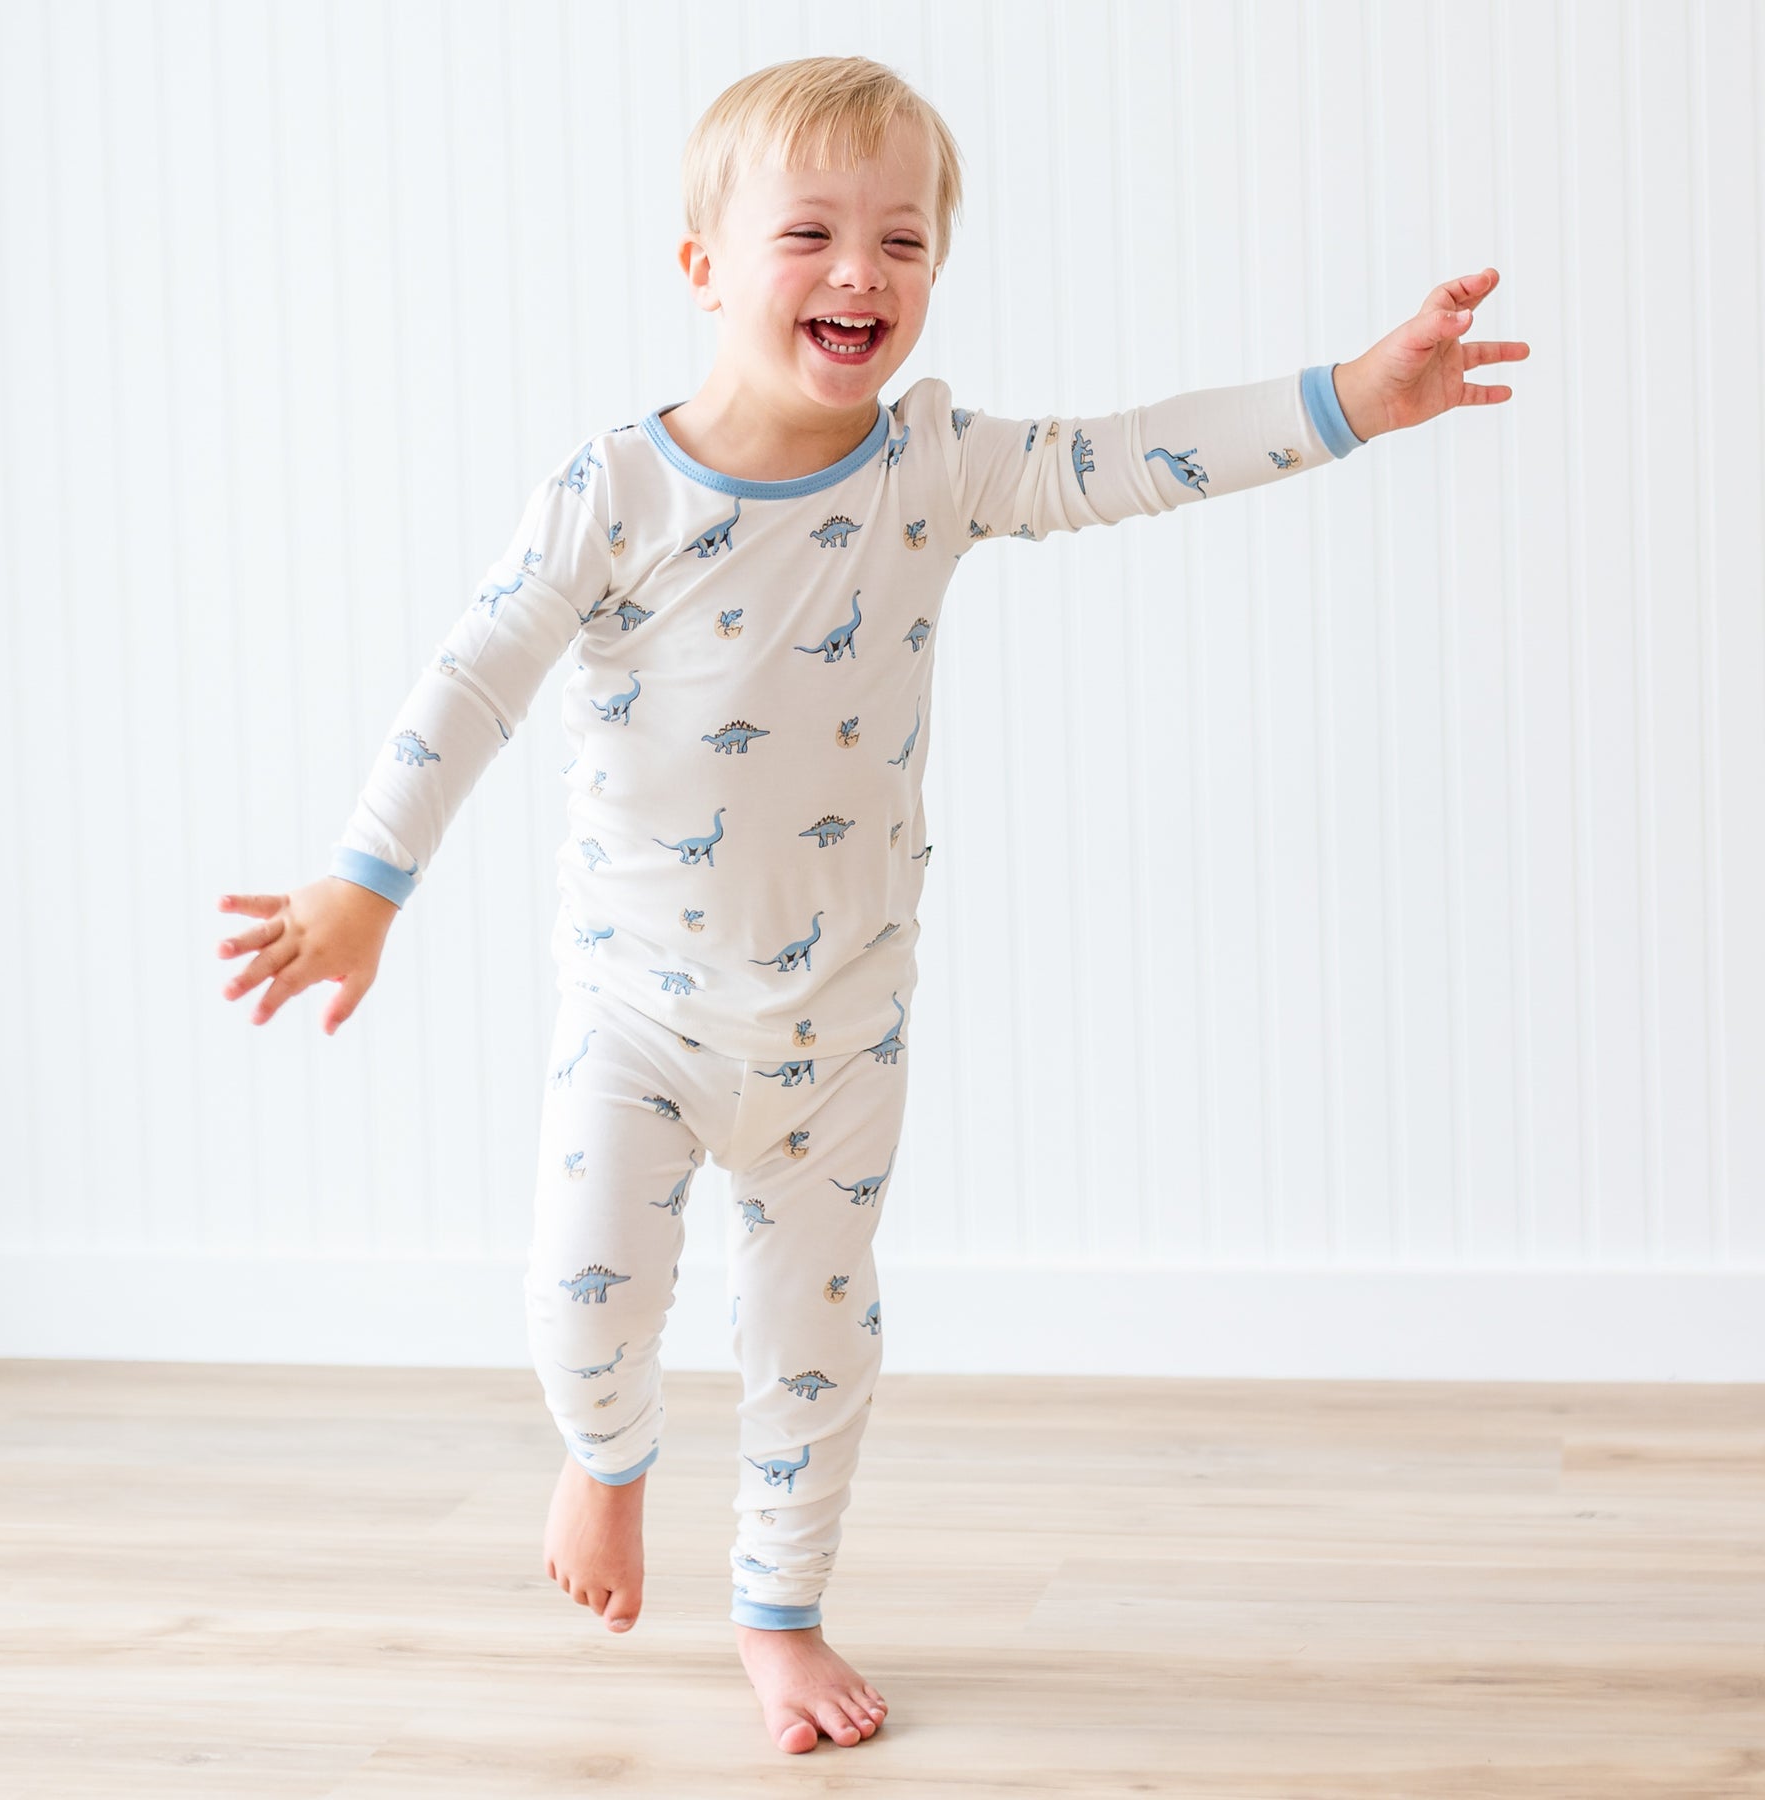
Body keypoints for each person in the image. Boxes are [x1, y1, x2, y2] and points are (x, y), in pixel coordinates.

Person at [213, 53, 1527, 1757]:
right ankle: (606, 1460)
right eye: (813, 233)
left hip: (844, 1024)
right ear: (702, 265)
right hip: (641, 1015)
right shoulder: (617, 493)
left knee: (815, 1343)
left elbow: (1128, 457)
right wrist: (365, 883)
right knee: (585, 1288)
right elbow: (471, 682)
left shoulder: (935, 467)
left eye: (903, 241)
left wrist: (1357, 392)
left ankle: (781, 1612)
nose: (863, 271)